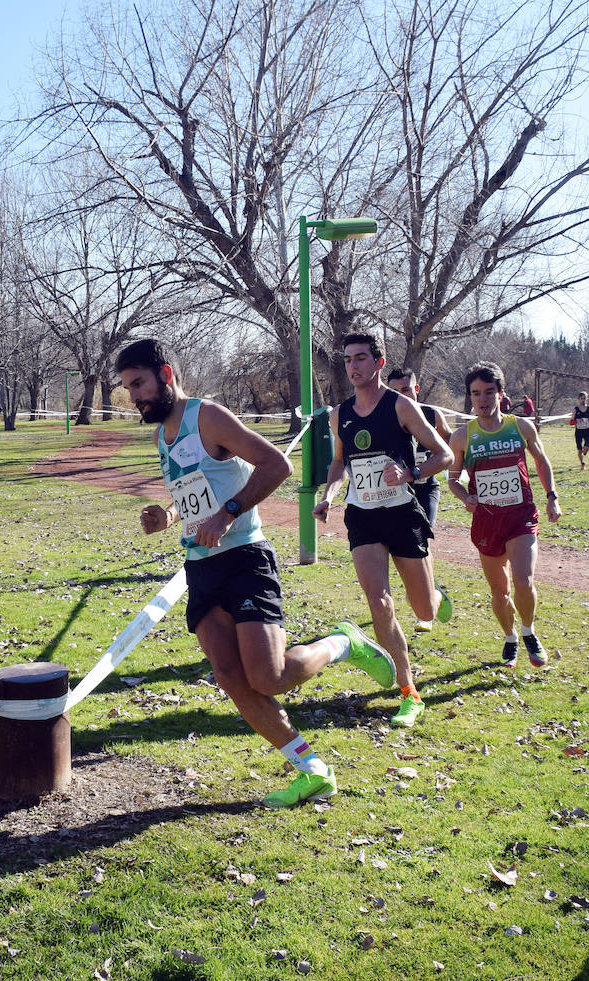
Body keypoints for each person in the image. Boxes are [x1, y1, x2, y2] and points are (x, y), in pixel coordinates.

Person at [116, 339, 397, 809]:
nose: (134, 397)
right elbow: (196, 495)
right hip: (201, 568)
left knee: (268, 676)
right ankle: (312, 770)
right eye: (127, 389)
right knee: (229, 676)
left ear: (166, 375)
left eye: (139, 384)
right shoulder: (160, 436)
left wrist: (227, 514)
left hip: (245, 557)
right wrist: (168, 517)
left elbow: (276, 464)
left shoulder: (208, 416)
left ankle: (342, 642)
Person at [314, 334, 454, 728]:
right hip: (363, 516)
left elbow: (444, 454)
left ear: (378, 362)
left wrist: (411, 473)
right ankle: (409, 693)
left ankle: (434, 592)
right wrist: (329, 495)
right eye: (347, 360)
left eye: (361, 358)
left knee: (424, 609)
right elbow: (340, 462)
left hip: (401, 514)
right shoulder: (339, 414)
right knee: (379, 602)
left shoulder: (401, 406)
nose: (353, 366)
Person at [446, 361, 561, 669]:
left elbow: (542, 461)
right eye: (475, 393)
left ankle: (528, 632)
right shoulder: (461, 437)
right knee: (500, 592)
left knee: (523, 582)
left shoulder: (521, 427)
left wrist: (552, 498)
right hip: (486, 521)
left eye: (488, 392)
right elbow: (452, 479)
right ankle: (510, 637)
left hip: (520, 517)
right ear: (470, 397)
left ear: (500, 393)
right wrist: (465, 497)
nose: (482, 399)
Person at [385, 368, 454, 632]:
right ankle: (428, 590)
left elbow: (448, 438)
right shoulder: (385, 415)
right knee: (398, 549)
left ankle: (426, 606)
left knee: (422, 539)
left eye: (405, 389)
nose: (400, 395)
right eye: (394, 390)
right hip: (397, 492)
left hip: (425, 488)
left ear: (417, 389)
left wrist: (439, 459)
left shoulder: (431, 413)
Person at [569, 392, 589, 469]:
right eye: (581, 398)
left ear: (586, 399)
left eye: (584, 398)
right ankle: (582, 463)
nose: (583, 400)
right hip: (578, 431)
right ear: (578, 399)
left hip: (587, 430)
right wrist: (577, 421)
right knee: (579, 450)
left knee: (587, 447)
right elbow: (571, 422)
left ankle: (585, 451)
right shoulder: (576, 409)